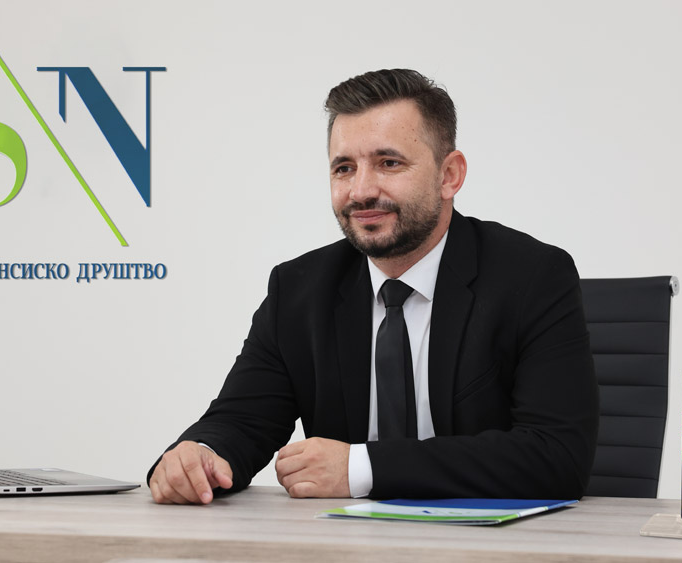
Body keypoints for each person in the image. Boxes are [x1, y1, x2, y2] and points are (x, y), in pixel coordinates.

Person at [148, 69, 598, 504]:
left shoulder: (532, 276)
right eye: (344, 168)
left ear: (449, 176)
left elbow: (556, 456)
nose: (361, 191)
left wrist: (360, 468)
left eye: (388, 163)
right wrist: (199, 457)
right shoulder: (299, 290)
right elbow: (242, 421)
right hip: (345, 542)